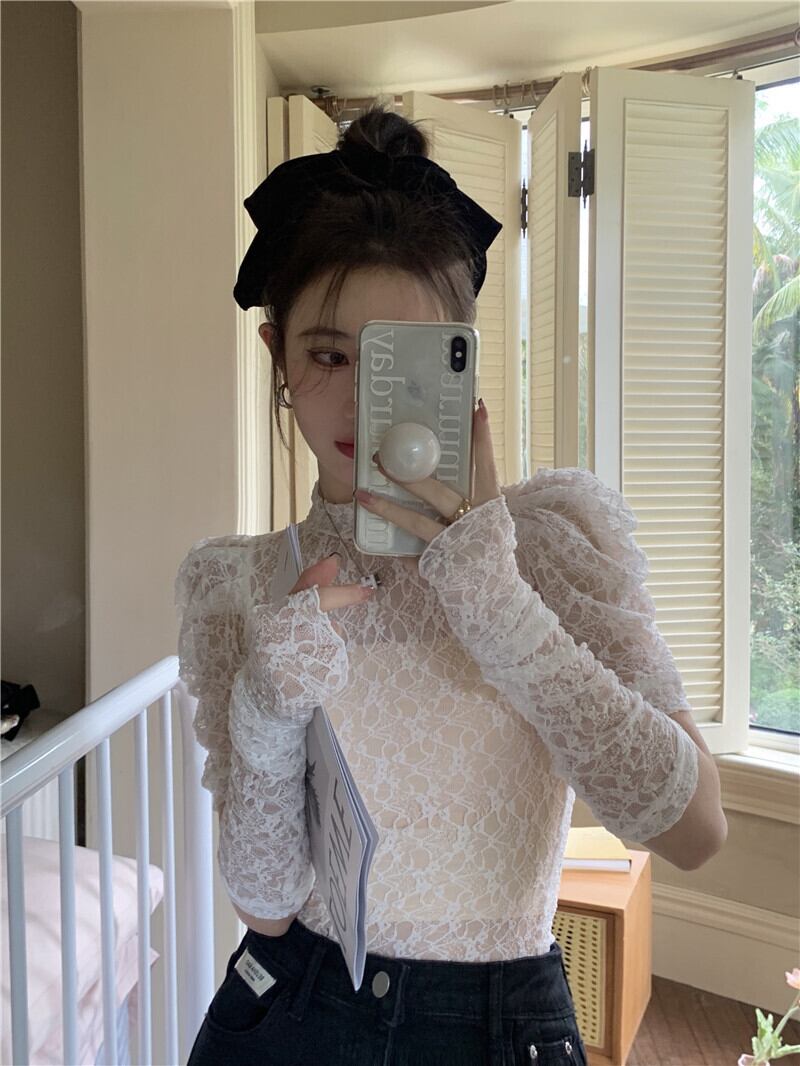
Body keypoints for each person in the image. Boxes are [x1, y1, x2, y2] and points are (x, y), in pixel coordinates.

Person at [176, 103, 725, 1066]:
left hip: (497, 1023)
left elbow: (694, 828)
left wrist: (500, 605)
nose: (360, 397)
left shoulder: (552, 547)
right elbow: (265, 908)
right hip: (291, 1011)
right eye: (329, 355)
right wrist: (264, 710)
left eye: (406, 361)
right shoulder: (242, 584)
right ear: (278, 358)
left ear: (463, 363)